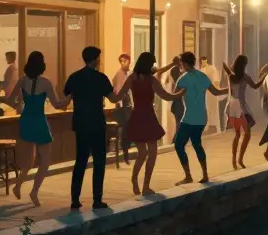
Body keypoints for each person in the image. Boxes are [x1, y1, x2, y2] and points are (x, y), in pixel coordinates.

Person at [3, 51, 69, 208]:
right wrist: (70, 98)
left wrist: (20, 105)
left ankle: (18, 185)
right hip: (39, 120)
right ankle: (34, 191)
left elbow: (9, 101)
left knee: (29, 161)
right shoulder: (46, 82)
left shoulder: (22, 81)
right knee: (45, 161)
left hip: (26, 120)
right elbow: (57, 104)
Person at [63, 46, 123, 210]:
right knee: (99, 162)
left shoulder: (74, 77)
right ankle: (97, 200)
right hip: (96, 123)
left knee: (80, 161)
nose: (100, 60)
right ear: (95, 59)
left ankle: (75, 199)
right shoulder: (101, 78)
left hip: (81, 123)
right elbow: (113, 98)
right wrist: (126, 87)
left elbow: (65, 94)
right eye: (99, 57)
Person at [115, 52, 182, 195]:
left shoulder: (145, 79)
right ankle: (135, 180)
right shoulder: (139, 78)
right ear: (147, 64)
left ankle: (145, 184)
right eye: (151, 64)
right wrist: (180, 94)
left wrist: (178, 94)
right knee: (145, 152)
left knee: (150, 152)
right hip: (141, 115)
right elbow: (165, 95)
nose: (153, 66)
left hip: (144, 115)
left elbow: (164, 95)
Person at [175, 51, 229, 183]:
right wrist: (230, 89)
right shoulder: (203, 76)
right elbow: (216, 92)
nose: (180, 66)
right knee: (197, 144)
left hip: (189, 117)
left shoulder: (183, 78)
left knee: (179, 145)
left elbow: (173, 95)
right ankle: (205, 174)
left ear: (185, 63)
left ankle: (188, 176)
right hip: (202, 117)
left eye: (181, 63)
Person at [222, 55, 264, 170]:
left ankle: (235, 160)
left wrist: (226, 67)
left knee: (238, 134)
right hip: (240, 105)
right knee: (247, 133)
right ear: (243, 65)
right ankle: (239, 159)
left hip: (232, 105)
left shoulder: (231, 76)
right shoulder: (244, 77)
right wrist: (263, 76)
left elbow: (228, 71)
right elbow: (255, 86)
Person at [111, 53, 134, 165]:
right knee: (126, 129)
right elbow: (118, 91)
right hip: (122, 107)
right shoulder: (119, 75)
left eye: (126, 61)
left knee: (129, 130)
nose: (125, 63)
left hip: (129, 106)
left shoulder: (129, 73)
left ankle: (125, 152)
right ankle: (125, 153)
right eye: (122, 61)